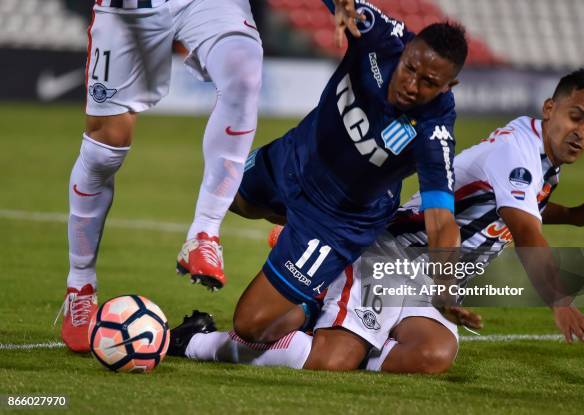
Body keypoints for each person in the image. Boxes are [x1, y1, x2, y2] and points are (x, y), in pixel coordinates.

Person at [170, 69, 584, 373]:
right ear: (550, 108)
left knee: (432, 355)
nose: (583, 133)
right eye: (576, 117)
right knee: (332, 359)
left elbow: (521, 209)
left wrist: (574, 217)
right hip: (392, 255)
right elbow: (524, 228)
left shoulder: (541, 159)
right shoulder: (517, 152)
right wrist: (559, 301)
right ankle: (198, 340)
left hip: (437, 273)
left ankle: (326, 312)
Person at [184, 0, 470, 351]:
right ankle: (297, 243)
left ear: (448, 85)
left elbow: (441, 221)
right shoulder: (381, 36)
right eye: (410, 69)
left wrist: (446, 287)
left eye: (429, 82)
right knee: (228, 196)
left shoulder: (434, 129)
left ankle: (312, 300)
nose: (412, 85)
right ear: (407, 48)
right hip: (295, 157)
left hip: (335, 221)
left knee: (251, 325)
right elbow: (347, 6)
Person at [56, 0, 267, 353]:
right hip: (128, 9)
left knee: (244, 74)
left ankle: (204, 234)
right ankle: (81, 285)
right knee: (104, 150)